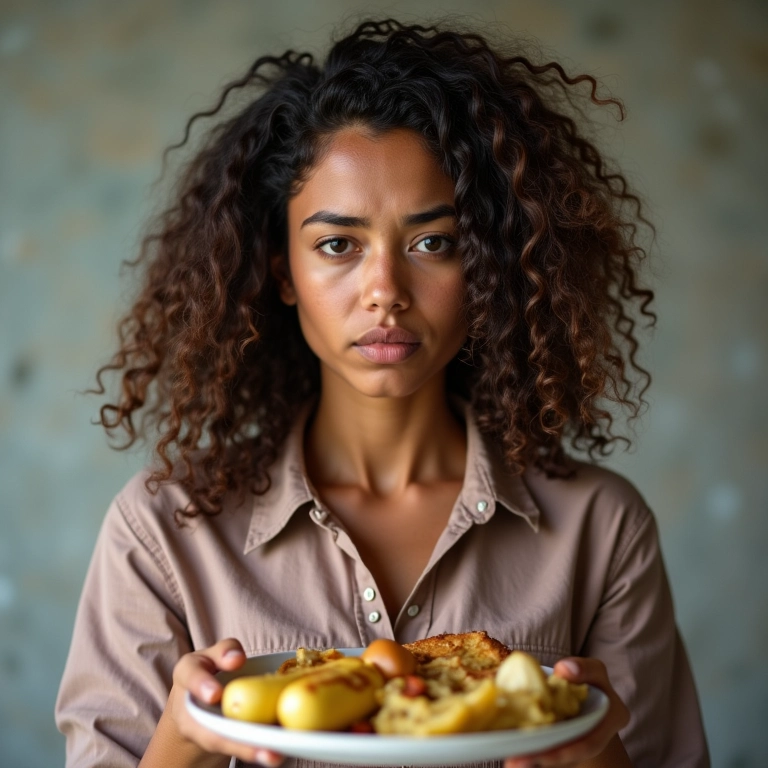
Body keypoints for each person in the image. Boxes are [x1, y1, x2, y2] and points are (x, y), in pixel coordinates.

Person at [55, 17, 710, 768]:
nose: (386, 293)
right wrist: (184, 738)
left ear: (490, 265)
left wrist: (598, 756)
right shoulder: (162, 531)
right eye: (338, 244)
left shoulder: (601, 529)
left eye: (435, 242)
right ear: (281, 273)